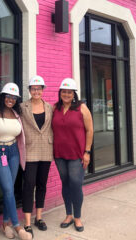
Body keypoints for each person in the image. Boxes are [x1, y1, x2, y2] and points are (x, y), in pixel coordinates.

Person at [0, 83, 32, 240]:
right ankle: (17, 226)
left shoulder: (16, 113)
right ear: (2, 97)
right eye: (8, 96)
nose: (11, 100)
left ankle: (5, 223)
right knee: (8, 189)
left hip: (13, 153)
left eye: (14, 97)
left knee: (9, 190)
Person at [51, 78, 93, 232]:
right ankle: (68, 214)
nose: (66, 94)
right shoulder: (55, 107)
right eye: (64, 92)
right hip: (60, 154)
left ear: (74, 93)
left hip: (77, 155)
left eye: (69, 92)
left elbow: (90, 130)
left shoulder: (82, 108)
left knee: (75, 184)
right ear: (60, 93)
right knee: (66, 183)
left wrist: (87, 152)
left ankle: (77, 217)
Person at [20, 76, 53, 238]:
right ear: (29, 90)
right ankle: (27, 221)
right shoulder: (22, 107)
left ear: (43, 90)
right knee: (29, 185)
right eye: (33, 88)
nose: (36, 91)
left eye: (39, 88)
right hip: (30, 150)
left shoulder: (49, 107)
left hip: (46, 149)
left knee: (42, 184)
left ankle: (39, 217)